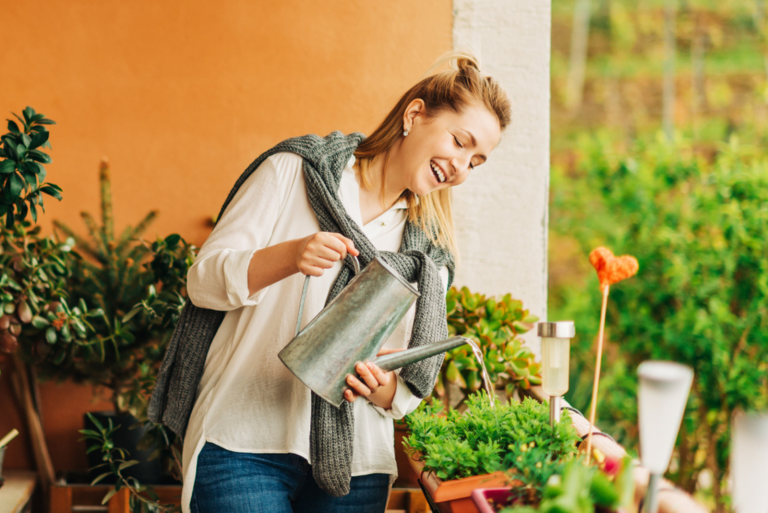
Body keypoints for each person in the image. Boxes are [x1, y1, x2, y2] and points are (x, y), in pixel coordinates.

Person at [149, 52, 511, 513]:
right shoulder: (295, 172)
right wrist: (289, 256)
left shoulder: (428, 257)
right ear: (415, 114)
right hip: (241, 443)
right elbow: (203, 282)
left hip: (354, 467)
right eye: (460, 142)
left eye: (476, 162)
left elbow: (399, 391)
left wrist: (378, 385)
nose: (461, 167)